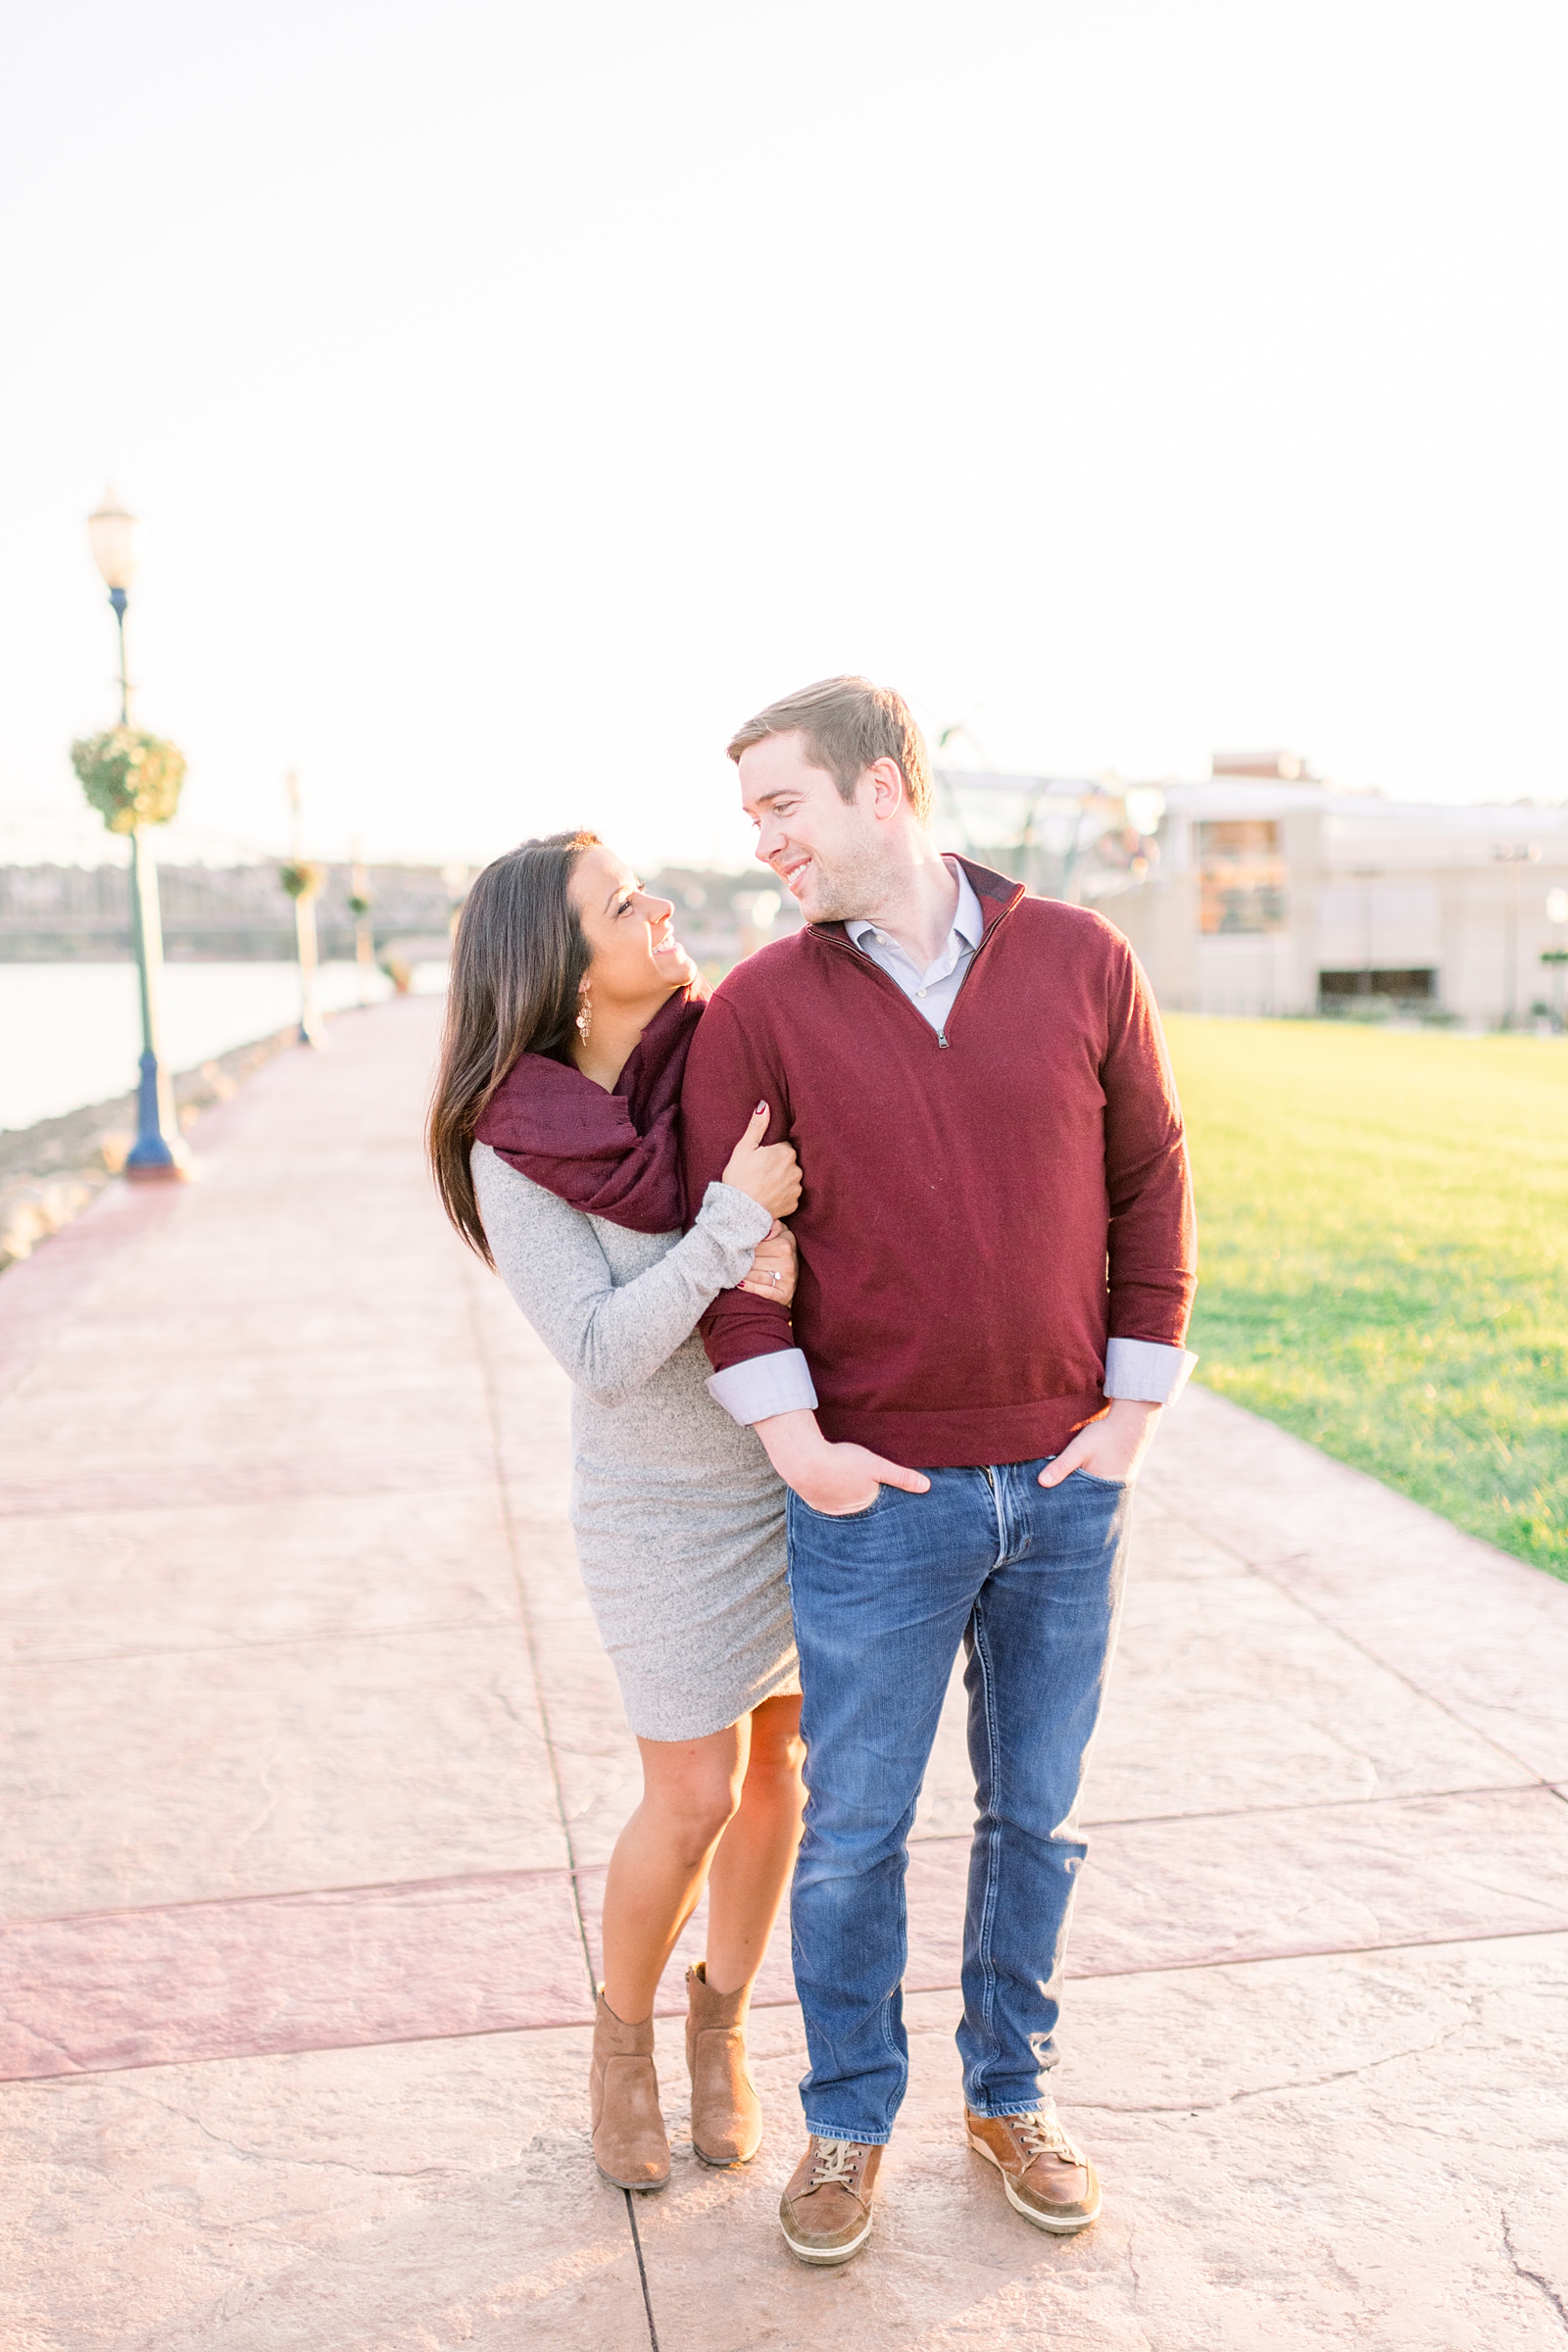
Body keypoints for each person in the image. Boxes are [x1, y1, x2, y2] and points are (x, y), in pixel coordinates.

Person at [679, 678, 1198, 2266]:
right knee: (853, 1836)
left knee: (1035, 1818)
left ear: (885, 788)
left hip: (1061, 1484)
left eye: (784, 804)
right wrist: (802, 1452)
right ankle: (846, 2124)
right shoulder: (761, 1006)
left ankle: (1011, 2090)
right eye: (751, 812)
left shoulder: (1082, 958)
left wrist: (1130, 1414)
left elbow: (1151, 1176)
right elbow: (734, 1247)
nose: (761, 838)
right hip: (876, 1504)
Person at [428, 830, 808, 2194]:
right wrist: (727, 1232)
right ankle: (624, 2045)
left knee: (781, 1775)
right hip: (656, 1506)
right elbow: (599, 1350)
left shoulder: (723, 1055)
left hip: (789, 1469)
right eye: (621, 902)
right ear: (564, 967)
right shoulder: (513, 1144)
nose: (660, 906)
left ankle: (726, 2030)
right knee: (691, 1792)